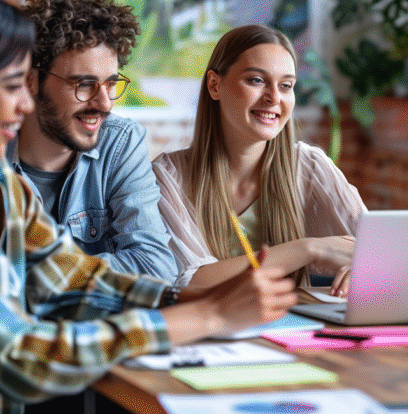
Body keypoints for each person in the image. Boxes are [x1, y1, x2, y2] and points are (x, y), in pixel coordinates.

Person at [0, 0, 296, 414]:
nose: (25, 104)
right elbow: (16, 357)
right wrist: (209, 316)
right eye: (14, 85)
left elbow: (73, 278)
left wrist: (195, 300)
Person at [153, 24, 365, 295]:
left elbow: (381, 255)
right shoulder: (169, 177)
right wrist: (308, 249)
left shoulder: (310, 168)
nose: (274, 98)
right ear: (215, 85)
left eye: (286, 85)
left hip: (297, 320)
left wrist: (365, 267)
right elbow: (189, 283)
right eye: (256, 80)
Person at [7, 0, 176, 281]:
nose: (105, 103)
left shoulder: (120, 143)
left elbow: (156, 266)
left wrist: (35, 273)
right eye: (84, 85)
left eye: (110, 84)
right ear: (31, 81)